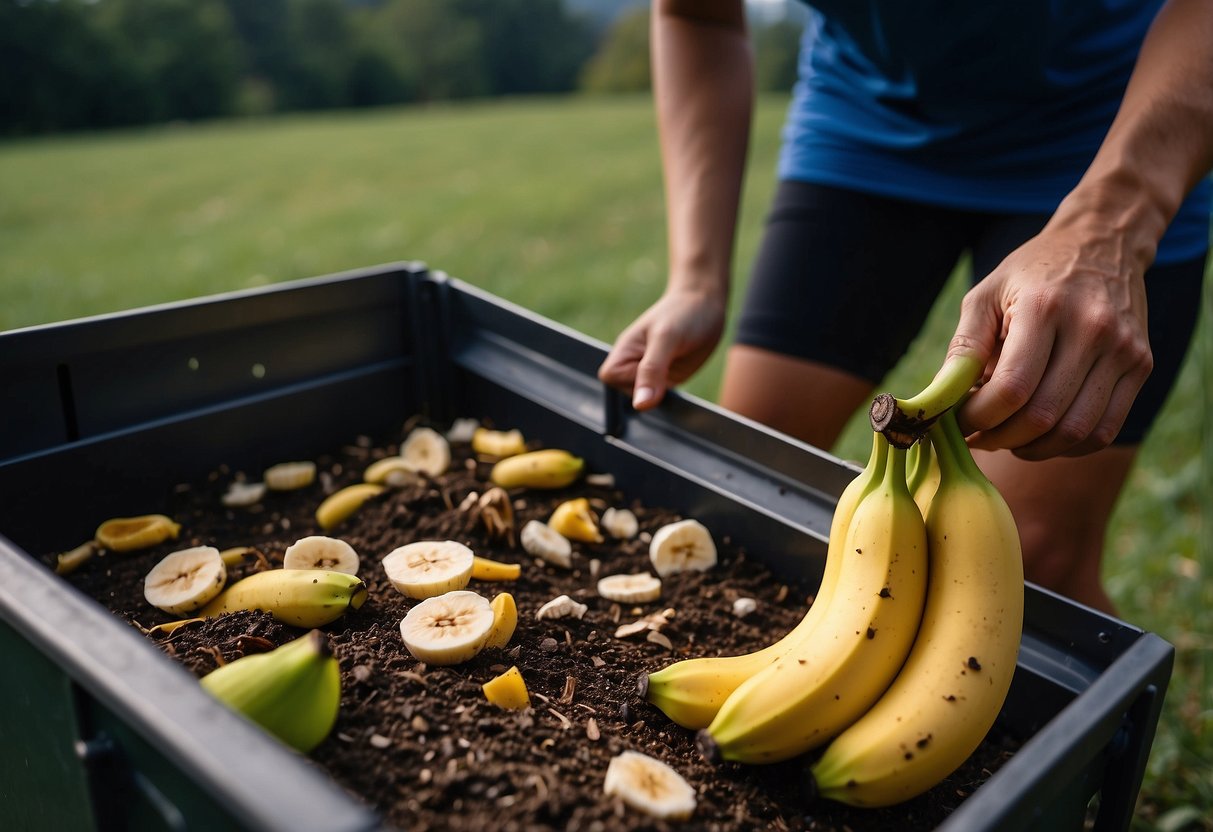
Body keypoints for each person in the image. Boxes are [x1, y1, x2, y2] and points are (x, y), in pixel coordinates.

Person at [597, 0, 1213, 614]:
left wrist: (1112, 226)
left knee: (1028, 567)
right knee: (740, 499)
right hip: (868, 126)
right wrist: (696, 280)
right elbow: (697, 14)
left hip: (1120, 121)